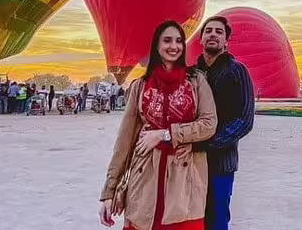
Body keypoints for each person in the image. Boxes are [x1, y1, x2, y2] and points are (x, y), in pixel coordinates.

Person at [99, 21, 217, 230]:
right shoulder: (140, 86)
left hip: (184, 180)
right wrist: (109, 192)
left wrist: (166, 134)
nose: (174, 46)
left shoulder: (197, 81)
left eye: (179, 41)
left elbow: (209, 124)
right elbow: (124, 141)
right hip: (144, 178)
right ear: (156, 46)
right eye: (167, 40)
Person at [192, 16, 255, 230]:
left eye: (219, 32)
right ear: (200, 39)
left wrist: (210, 142)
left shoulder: (238, 72)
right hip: (190, 162)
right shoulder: (191, 74)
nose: (213, 34)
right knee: (190, 218)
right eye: (208, 30)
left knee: (217, 219)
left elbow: (245, 120)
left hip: (221, 163)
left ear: (226, 41)